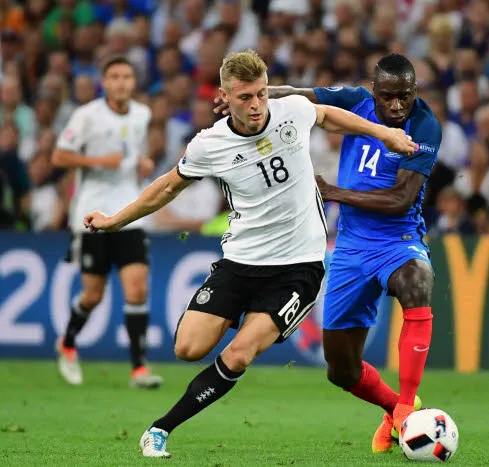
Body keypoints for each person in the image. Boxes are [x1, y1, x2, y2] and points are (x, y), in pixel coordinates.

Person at [82, 50, 418, 458]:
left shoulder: (291, 111)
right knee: (187, 348)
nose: (257, 105)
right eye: (245, 97)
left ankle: (160, 429)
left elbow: (328, 115)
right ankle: (239, 316)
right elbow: (167, 187)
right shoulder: (209, 144)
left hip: (298, 267)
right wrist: (115, 220)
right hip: (241, 261)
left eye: (261, 93)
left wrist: (385, 134)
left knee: (238, 355)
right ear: (225, 97)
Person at [214, 53, 441, 453]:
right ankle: (396, 410)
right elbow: (297, 94)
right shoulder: (355, 100)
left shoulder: (424, 125)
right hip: (351, 246)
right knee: (341, 370)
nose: (396, 106)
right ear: (374, 91)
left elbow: (401, 200)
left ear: (414, 91)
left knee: (416, 281)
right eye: (387, 96)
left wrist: (333, 192)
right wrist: (258, 96)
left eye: (404, 96)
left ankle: (407, 404)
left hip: (398, 239)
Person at [51, 56, 161, 389]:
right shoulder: (87, 115)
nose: (121, 83)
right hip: (91, 214)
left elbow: (133, 152)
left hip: (129, 212)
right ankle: (67, 343)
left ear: (134, 82)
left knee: (137, 289)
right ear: (104, 83)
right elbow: (59, 156)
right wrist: (99, 161)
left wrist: (142, 163)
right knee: (93, 295)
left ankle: (138, 369)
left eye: (127, 76)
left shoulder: (142, 114)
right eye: (114, 77)